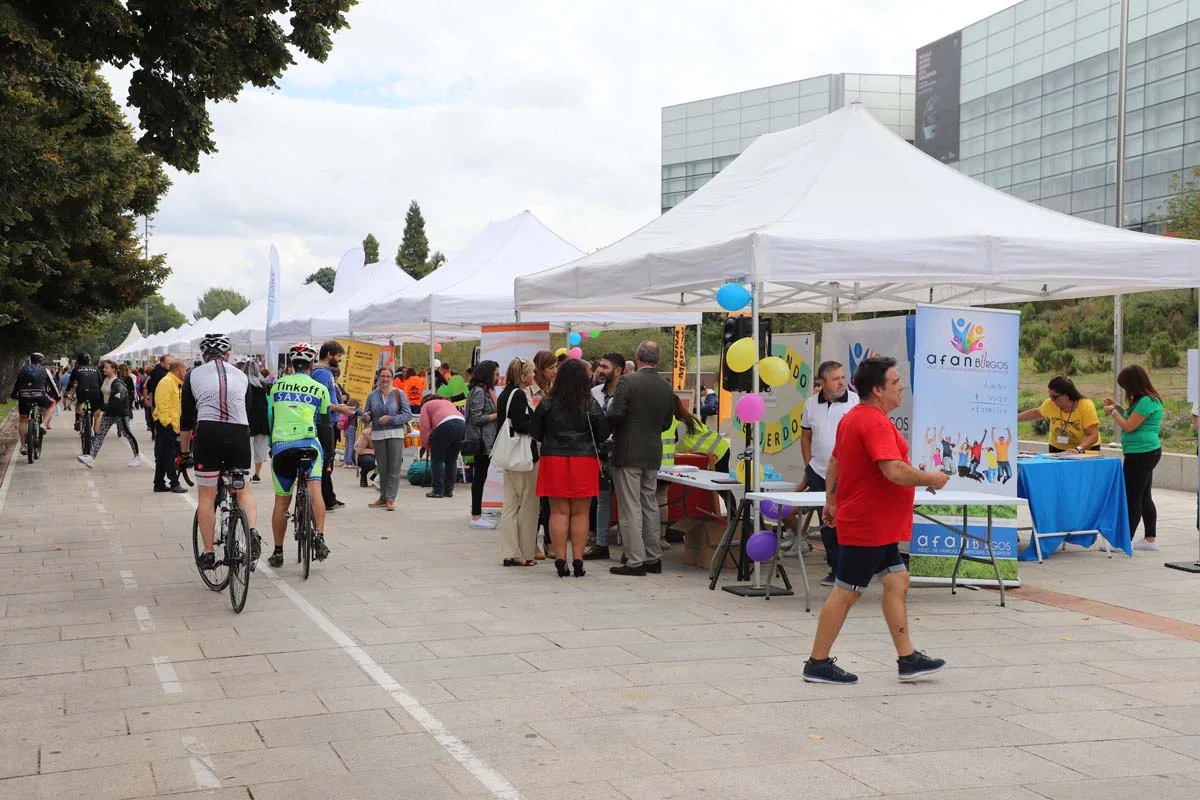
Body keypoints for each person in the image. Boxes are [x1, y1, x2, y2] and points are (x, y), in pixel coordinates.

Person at [803, 356, 949, 686]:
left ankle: (907, 658)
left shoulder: (855, 417)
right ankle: (817, 662)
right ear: (878, 390)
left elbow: (836, 461)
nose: (901, 388)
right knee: (846, 592)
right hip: (868, 524)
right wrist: (930, 478)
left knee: (897, 581)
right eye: (895, 383)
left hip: (876, 524)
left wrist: (831, 500)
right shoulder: (874, 422)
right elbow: (893, 469)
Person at [178, 335, 261, 572]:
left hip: (208, 431)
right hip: (238, 432)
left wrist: (184, 453)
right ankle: (252, 531)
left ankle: (208, 552)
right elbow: (247, 411)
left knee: (206, 496)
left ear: (203, 356)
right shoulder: (242, 374)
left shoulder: (192, 375)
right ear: (228, 356)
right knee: (243, 490)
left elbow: (186, 420)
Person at [531, 358, 609, 578]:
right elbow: (603, 432)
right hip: (584, 459)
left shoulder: (548, 402)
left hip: (553, 458)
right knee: (581, 513)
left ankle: (559, 558)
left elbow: (535, 431)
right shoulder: (589, 403)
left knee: (558, 511)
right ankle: (578, 560)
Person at [608, 341, 676, 577]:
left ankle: (635, 560)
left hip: (628, 450)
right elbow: (667, 422)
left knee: (630, 506)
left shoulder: (628, 381)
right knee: (650, 503)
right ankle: (653, 556)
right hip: (652, 451)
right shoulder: (666, 386)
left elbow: (616, 413)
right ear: (658, 359)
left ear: (637, 357)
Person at [266, 343, 329, 567]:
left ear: (291, 364)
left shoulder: (276, 386)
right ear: (311, 364)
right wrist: (328, 456)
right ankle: (319, 537)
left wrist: (272, 444)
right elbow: (325, 425)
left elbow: (270, 419)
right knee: (315, 490)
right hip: (310, 445)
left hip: (282, 446)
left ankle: (278, 551)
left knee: (282, 501)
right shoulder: (319, 388)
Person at [797, 360, 859, 586]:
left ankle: (848, 569)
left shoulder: (855, 402)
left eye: (843, 377)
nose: (841, 382)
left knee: (845, 521)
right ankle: (835, 568)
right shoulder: (810, 404)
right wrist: (808, 464)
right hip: (818, 472)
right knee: (826, 523)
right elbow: (806, 436)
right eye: (835, 379)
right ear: (821, 383)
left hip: (847, 473)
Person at [1105, 364, 1165, 551]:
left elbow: (1129, 426)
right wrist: (1118, 407)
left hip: (1141, 454)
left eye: (1126, 387)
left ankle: (1124, 541)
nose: (1125, 391)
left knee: (1132, 497)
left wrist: (1113, 412)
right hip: (1144, 452)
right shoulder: (1147, 400)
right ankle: (1150, 539)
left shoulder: (1147, 401)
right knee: (1144, 495)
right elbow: (1132, 418)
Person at [496, 358, 540, 566]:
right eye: (532, 373)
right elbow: (522, 425)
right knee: (529, 506)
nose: (534, 376)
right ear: (523, 377)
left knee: (510, 505)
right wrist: (538, 423)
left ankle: (509, 551)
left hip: (508, 456)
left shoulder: (504, 394)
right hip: (524, 457)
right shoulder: (520, 395)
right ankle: (525, 552)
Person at [586, 352, 626, 560]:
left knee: (625, 501)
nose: (600, 370)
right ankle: (601, 544)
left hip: (621, 452)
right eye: (600, 366)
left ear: (618, 371)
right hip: (599, 455)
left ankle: (629, 547)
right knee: (602, 500)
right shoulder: (594, 392)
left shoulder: (627, 393)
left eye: (605, 367)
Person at [311, 342, 355, 511]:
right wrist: (340, 408)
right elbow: (322, 401)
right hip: (323, 422)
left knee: (326, 460)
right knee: (325, 460)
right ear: (329, 354)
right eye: (338, 356)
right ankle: (325, 498)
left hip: (327, 421)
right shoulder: (322, 373)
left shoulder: (323, 372)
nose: (340, 360)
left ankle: (328, 497)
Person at [364, 366, 412, 511]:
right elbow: (367, 416)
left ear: (392, 379)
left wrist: (391, 419)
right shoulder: (372, 395)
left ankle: (391, 498)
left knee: (394, 467)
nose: (385, 379)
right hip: (378, 435)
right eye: (382, 376)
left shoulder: (399, 394)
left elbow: (407, 415)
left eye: (388, 376)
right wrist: (366, 417)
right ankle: (383, 497)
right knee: (382, 468)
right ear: (378, 378)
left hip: (395, 434)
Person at [78, 360, 141, 468]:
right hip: (108, 413)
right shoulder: (105, 380)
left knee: (127, 434)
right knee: (100, 435)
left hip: (119, 413)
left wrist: (104, 407)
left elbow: (117, 400)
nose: (104, 369)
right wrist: (100, 407)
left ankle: (137, 456)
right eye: (104, 368)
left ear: (113, 369)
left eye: (107, 368)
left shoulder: (118, 384)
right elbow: (102, 396)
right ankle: (91, 458)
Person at [1017, 375, 1101, 453]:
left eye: (1054, 397)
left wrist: (1078, 449)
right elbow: (1037, 413)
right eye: (1050, 396)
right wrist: (1014, 418)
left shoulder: (1086, 406)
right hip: (1057, 448)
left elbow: (1093, 435)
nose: (1051, 400)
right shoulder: (1050, 404)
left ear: (1066, 395)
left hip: (1085, 449)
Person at [464, 360, 500, 529]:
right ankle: (476, 515)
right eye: (496, 374)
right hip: (481, 441)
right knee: (479, 477)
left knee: (481, 476)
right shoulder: (479, 392)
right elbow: (476, 418)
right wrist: (496, 415)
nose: (498, 378)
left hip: (486, 440)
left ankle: (477, 513)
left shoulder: (483, 391)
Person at [532, 349, 558, 559]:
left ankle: (550, 540)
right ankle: (531, 541)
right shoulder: (529, 391)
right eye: (551, 368)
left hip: (551, 450)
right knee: (534, 499)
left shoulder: (555, 390)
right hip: (533, 450)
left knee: (550, 499)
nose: (554, 371)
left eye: (556, 367)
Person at [10, 352, 60, 456]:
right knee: (52, 404)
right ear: (41, 361)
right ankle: (43, 424)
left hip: (24, 396)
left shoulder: (23, 369)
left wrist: (14, 394)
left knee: (23, 420)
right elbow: (52, 384)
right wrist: (57, 395)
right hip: (39, 394)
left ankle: (23, 446)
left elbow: (17, 383)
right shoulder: (44, 370)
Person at [420, 393, 466, 499]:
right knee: (451, 459)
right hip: (461, 424)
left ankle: (438, 490)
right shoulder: (448, 402)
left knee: (437, 460)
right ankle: (448, 490)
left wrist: (426, 443)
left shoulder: (426, 406)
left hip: (444, 425)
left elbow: (425, 426)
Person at [152, 358, 187, 493]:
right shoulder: (167, 382)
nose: (186, 372)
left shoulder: (175, 383)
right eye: (184, 369)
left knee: (162, 454)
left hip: (170, 423)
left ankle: (159, 482)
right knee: (169, 453)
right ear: (178, 370)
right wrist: (167, 423)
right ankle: (174, 482)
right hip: (164, 423)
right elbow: (162, 404)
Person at [673, 394, 730, 473]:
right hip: (713, 451)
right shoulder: (684, 419)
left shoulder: (681, 423)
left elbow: (675, 444)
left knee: (718, 481)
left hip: (719, 451)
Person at [243, 360, 271, 483]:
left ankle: (246, 473)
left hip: (246, 420)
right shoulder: (263, 384)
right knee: (260, 449)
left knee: (246, 448)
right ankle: (257, 474)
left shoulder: (242, 384)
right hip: (262, 420)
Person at [67, 352, 103, 437]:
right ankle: (97, 435)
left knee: (79, 403)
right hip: (95, 392)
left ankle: (77, 419)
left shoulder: (76, 369)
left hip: (82, 391)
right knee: (97, 414)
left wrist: (66, 392)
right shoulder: (96, 369)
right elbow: (100, 382)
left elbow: (71, 382)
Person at [355, 422, 377, 487]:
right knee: (370, 461)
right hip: (360, 454)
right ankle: (363, 474)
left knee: (394, 458)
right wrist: (376, 452)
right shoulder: (366, 434)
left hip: (375, 454)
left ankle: (375, 476)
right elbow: (360, 450)